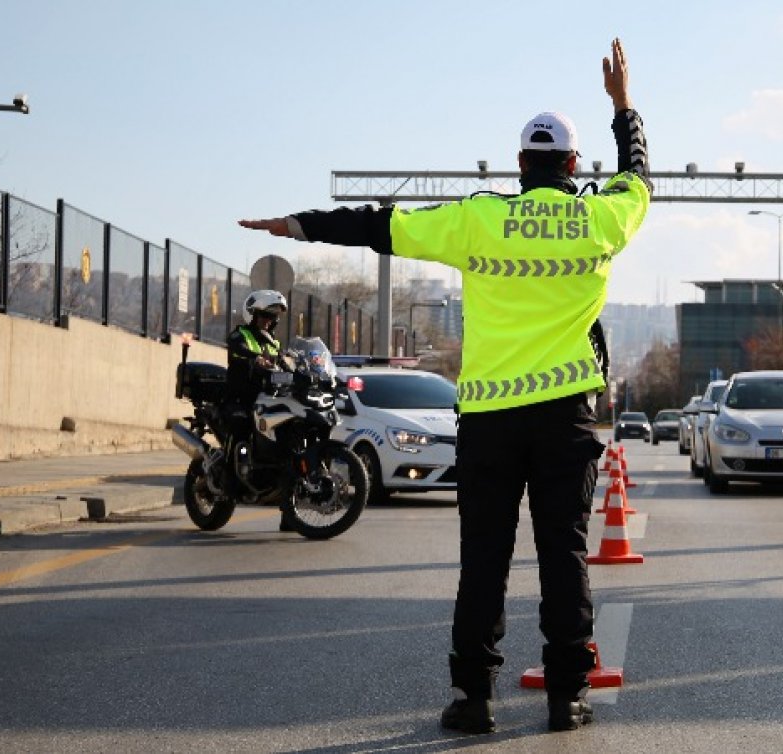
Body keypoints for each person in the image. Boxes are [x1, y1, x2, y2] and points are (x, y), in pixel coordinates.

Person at [238, 38, 650, 733]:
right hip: (565, 419)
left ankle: (473, 699)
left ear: (521, 166)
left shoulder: (478, 217)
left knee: (483, 561)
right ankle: (566, 696)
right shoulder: (601, 217)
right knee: (565, 554)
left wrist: (297, 225)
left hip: (490, 419)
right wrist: (623, 105)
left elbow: (379, 225)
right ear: (575, 167)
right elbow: (639, 176)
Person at [225, 289, 294, 531]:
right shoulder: (240, 334)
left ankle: (290, 515)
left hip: (268, 401)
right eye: (264, 315)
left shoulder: (274, 342)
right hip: (241, 398)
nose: (268, 320)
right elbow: (237, 347)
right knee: (240, 428)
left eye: (271, 317)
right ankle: (229, 480)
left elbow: (285, 363)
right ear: (252, 315)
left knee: (287, 449)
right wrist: (255, 358)